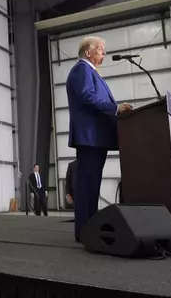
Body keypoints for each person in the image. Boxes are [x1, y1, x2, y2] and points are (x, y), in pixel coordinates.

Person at [66, 36, 132, 243]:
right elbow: (86, 96)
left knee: (91, 184)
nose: (104, 54)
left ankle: (88, 228)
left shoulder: (91, 72)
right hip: (90, 137)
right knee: (87, 185)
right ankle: (84, 230)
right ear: (88, 52)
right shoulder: (82, 70)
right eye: (101, 50)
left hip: (96, 137)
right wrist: (115, 108)